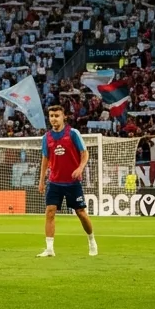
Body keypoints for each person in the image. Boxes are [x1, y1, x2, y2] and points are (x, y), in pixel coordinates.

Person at [36, 105, 96, 257]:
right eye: (51, 116)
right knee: (50, 212)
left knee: (81, 213)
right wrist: (41, 180)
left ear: (64, 117)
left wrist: (81, 168)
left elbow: (85, 153)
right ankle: (49, 249)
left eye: (57, 115)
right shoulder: (46, 138)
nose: (54, 119)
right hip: (54, 182)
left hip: (72, 182)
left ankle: (91, 241)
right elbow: (45, 159)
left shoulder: (73, 133)